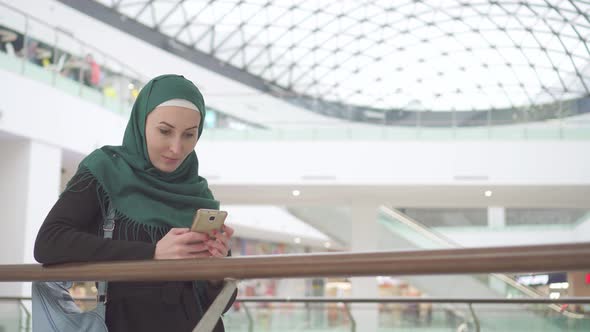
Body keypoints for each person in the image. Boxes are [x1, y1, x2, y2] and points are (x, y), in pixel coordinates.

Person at [34, 74, 236, 332]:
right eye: (165, 131)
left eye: (189, 134)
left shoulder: (199, 194)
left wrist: (216, 273)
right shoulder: (105, 170)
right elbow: (49, 243)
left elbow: (219, 305)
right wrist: (152, 253)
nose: (176, 148)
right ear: (141, 122)